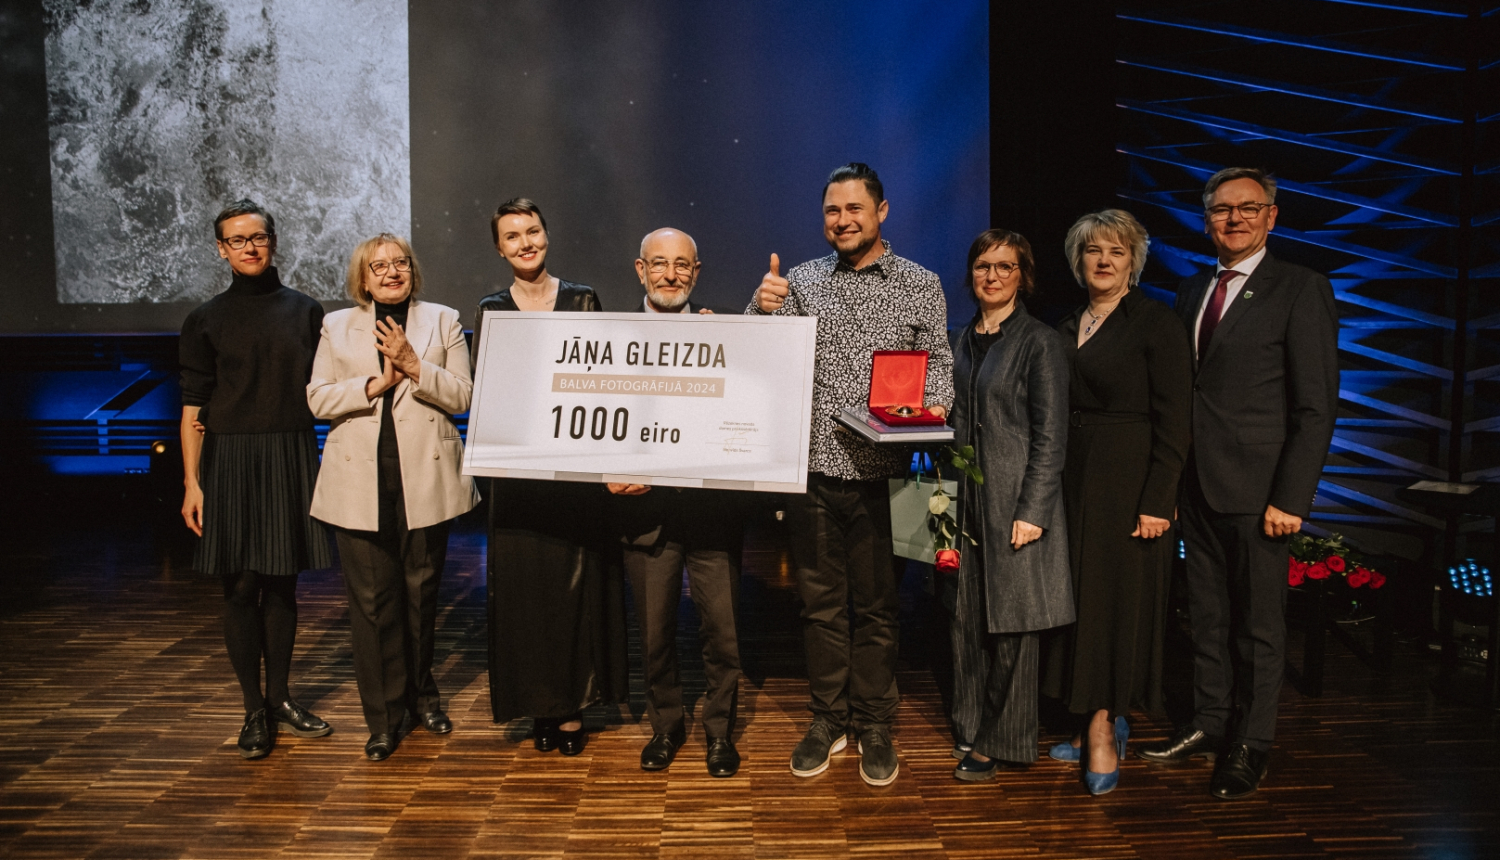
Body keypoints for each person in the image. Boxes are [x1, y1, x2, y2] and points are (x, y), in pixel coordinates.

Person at [1136, 168, 1339, 800]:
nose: (1235, 219)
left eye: (1249, 209)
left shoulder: (1301, 288)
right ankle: (1209, 722)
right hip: (1197, 486)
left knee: (1259, 627)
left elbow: (1316, 407)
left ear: (1272, 217)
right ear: (1206, 220)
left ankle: (1252, 743)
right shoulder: (1192, 289)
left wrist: (1291, 498)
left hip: (1261, 496)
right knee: (1206, 618)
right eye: (1222, 210)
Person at [749, 162, 953, 786]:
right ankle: (827, 718)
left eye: (854, 209)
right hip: (813, 474)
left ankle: (874, 722)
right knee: (819, 607)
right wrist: (760, 307)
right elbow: (760, 355)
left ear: (882, 212)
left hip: (888, 476)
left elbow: (940, 364)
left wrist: (934, 405)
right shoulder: (803, 281)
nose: (842, 220)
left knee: (879, 608)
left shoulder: (921, 283)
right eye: (832, 211)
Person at [307, 233, 480, 761]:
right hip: (359, 483)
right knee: (373, 607)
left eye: (399, 263)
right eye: (377, 266)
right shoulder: (336, 325)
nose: (390, 272)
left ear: (412, 270)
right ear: (362, 278)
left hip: (425, 482)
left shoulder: (443, 319)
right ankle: (384, 718)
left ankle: (422, 696)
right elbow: (316, 398)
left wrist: (413, 365)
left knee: (420, 599)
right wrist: (375, 384)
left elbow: (465, 395)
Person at [1040, 210, 1192, 795]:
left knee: (1116, 605)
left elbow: (1176, 421)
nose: (1103, 261)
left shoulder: (1156, 323)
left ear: (1134, 262)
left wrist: (1160, 498)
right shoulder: (1065, 322)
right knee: (1081, 598)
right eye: (1093, 251)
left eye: (1116, 252)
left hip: (1130, 483)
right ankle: (1088, 719)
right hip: (1074, 479)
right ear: (1078, 262)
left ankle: (1105, 727)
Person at [178, 199, 333, 759]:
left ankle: (281, 698)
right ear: (221, 249)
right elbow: (194, 406)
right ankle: (253, 710)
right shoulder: (205, 319)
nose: (249, 246)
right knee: (241, 585)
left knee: (283, 583)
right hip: (231, 459)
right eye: (237, 240)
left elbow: (328, 388)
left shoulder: (307, 311)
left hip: (290, 453)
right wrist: (192, 483)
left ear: (272, 242)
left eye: (258, 237)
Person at [475, 198, 627, 754]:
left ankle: (572, 711)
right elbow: (490, 388)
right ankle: (539, 705)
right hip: (518, 479)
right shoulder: (491, 307)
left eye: (532, 231)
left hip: (576, 475)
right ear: (500, 247)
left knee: (575, 594)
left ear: (547, 234)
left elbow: (608, 381)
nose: (525, 243)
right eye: (512, 236)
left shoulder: (583, 299)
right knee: (527, 596)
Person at [608, 228, 747, 777]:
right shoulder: (611, 337)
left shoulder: (727, 331)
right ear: (640, 271)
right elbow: (591, 423)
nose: (670, 275)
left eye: (682, 266)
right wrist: (606, 473)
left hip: (712, 514)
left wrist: (735, 347)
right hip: (644, 515)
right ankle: (666, 726)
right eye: (659, 265)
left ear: (697, 271)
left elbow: (753, 410)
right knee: (656, 633)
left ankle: (719, 732)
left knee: (723, 632)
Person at [946, 229, 1073, 782]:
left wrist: (1034, 510)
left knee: (1015, 627)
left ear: (1023, 275)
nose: (992, 276)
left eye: (1004, 267)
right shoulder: (956, 340)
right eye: (982, 266)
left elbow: (1051, 436)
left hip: (1016, 506)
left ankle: (1005, 739)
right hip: (961, 505)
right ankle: (971, 726)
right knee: (965, 621)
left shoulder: (1039, 342)